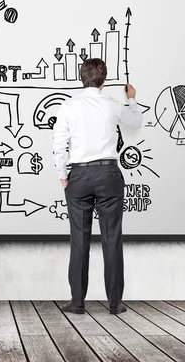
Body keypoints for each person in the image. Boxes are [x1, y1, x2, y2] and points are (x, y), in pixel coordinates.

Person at [52, 58, 143, 315]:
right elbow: (135, 122)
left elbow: (59, 144)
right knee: (112, 239)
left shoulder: (68, 106)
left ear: (82, 78)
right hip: (108, 173)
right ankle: (115, 304)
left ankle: (77, 303)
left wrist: (63, 176)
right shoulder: (112, 104)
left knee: (79, 240)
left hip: (79, 175)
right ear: (104, 80)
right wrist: (132, 99)